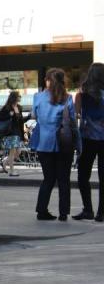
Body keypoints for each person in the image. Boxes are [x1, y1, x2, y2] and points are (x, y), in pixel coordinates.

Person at [32, 68, 78, 221]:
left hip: (44, 144)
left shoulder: (37, 97)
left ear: (47, 81)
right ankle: (63, 213)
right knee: (64, 179)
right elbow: (72, 124)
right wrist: (78, 144)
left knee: (48, 178)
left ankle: (41, 210)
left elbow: (34, 115)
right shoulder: (67, 98)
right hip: (63, 144)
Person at [74, 63, 104, 222]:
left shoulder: (82, 95)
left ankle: (88, 209)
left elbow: (76, 114)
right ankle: (101, 212)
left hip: (88, 138)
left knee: (83, 175)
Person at [0, 91, 25, 177]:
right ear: (14, 97)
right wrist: (9, 114)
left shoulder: (19, 107)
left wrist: (23, 135)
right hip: (10, 132)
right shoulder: (7, 107)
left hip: (18, 132)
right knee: (12, 152)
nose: (20, 97)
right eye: (19, 96)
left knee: (18, 152)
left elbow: (21, 121)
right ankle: (11, 171)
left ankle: (5, 162)